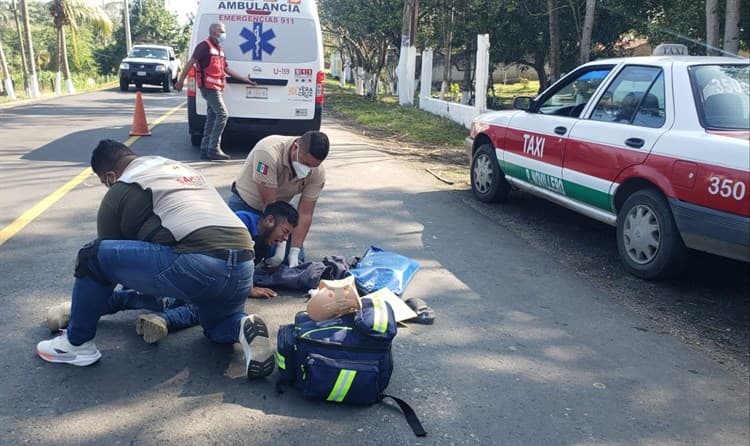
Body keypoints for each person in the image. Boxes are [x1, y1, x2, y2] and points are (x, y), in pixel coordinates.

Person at [36, 140, 274, 380]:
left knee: (92, 257)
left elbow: (107, 268)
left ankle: (77, 345)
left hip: (199, 263)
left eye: (103, 182)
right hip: (243, 264)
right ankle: (244, 327)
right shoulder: (178, 168)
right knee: (217, 328)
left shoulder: (123, 186)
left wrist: (89, 308)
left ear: (109, 176)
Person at [46, 201, 300, 344]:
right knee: (194, 303)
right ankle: (165, 319)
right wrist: (246, 287)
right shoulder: (238, 223)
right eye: (284, 232)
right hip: (185, 264)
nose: (283, 239)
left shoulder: (265, 245)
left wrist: (249, 285)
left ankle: (78, 310)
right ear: (268, 220)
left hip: (196, 277)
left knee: (164, 300)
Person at [228, 130, 329, 268]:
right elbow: (269, 206)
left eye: (312, 166)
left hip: (280, 214)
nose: (307, 169)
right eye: (305, 163)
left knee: (295, 264)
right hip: (247, 205)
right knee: (237, 260)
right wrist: (279, 249)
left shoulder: (317, 172)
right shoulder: (268, 153)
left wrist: (293, 252)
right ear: (295, 148)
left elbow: (305, 214)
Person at [175, 22, 255, 161]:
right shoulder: (204, 46)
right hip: (208, 87)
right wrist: (181, 81)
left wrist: (244, 79)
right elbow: (190, 63)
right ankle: (214, 148)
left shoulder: (219, 49)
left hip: (216, 87)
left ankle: (205, 149)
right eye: (221, 31)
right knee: (222, 114)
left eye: (224, 31)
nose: (223, 34)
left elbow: (226, 69)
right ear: (213, 32)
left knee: (212, 117)